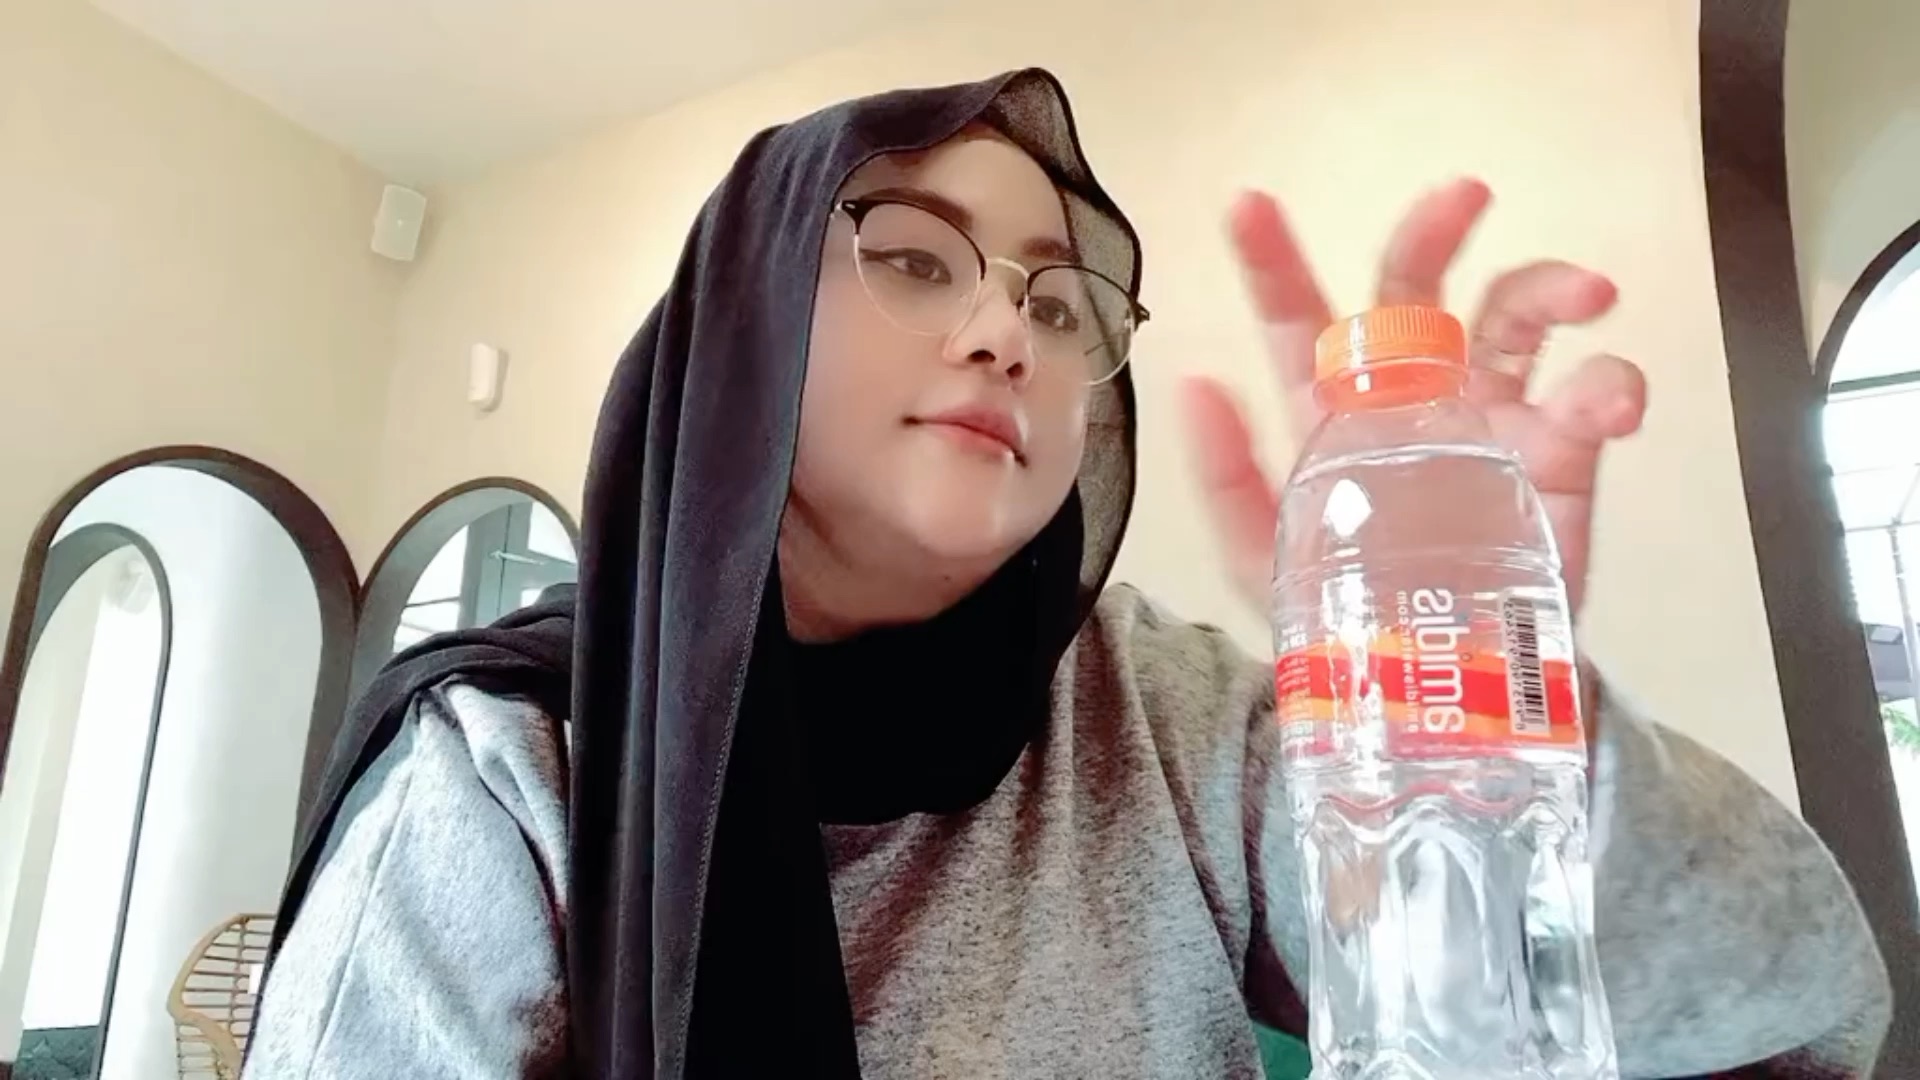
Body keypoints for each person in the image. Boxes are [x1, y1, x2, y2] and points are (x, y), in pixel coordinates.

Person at [245, 70, 1889, 1080]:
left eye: (1056, 302)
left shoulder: (1163, 714)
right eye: (912, 258)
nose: (1004, 333)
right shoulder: (508, 771)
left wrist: (1462, 710)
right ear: (738, 327)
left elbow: (1790, 1001)